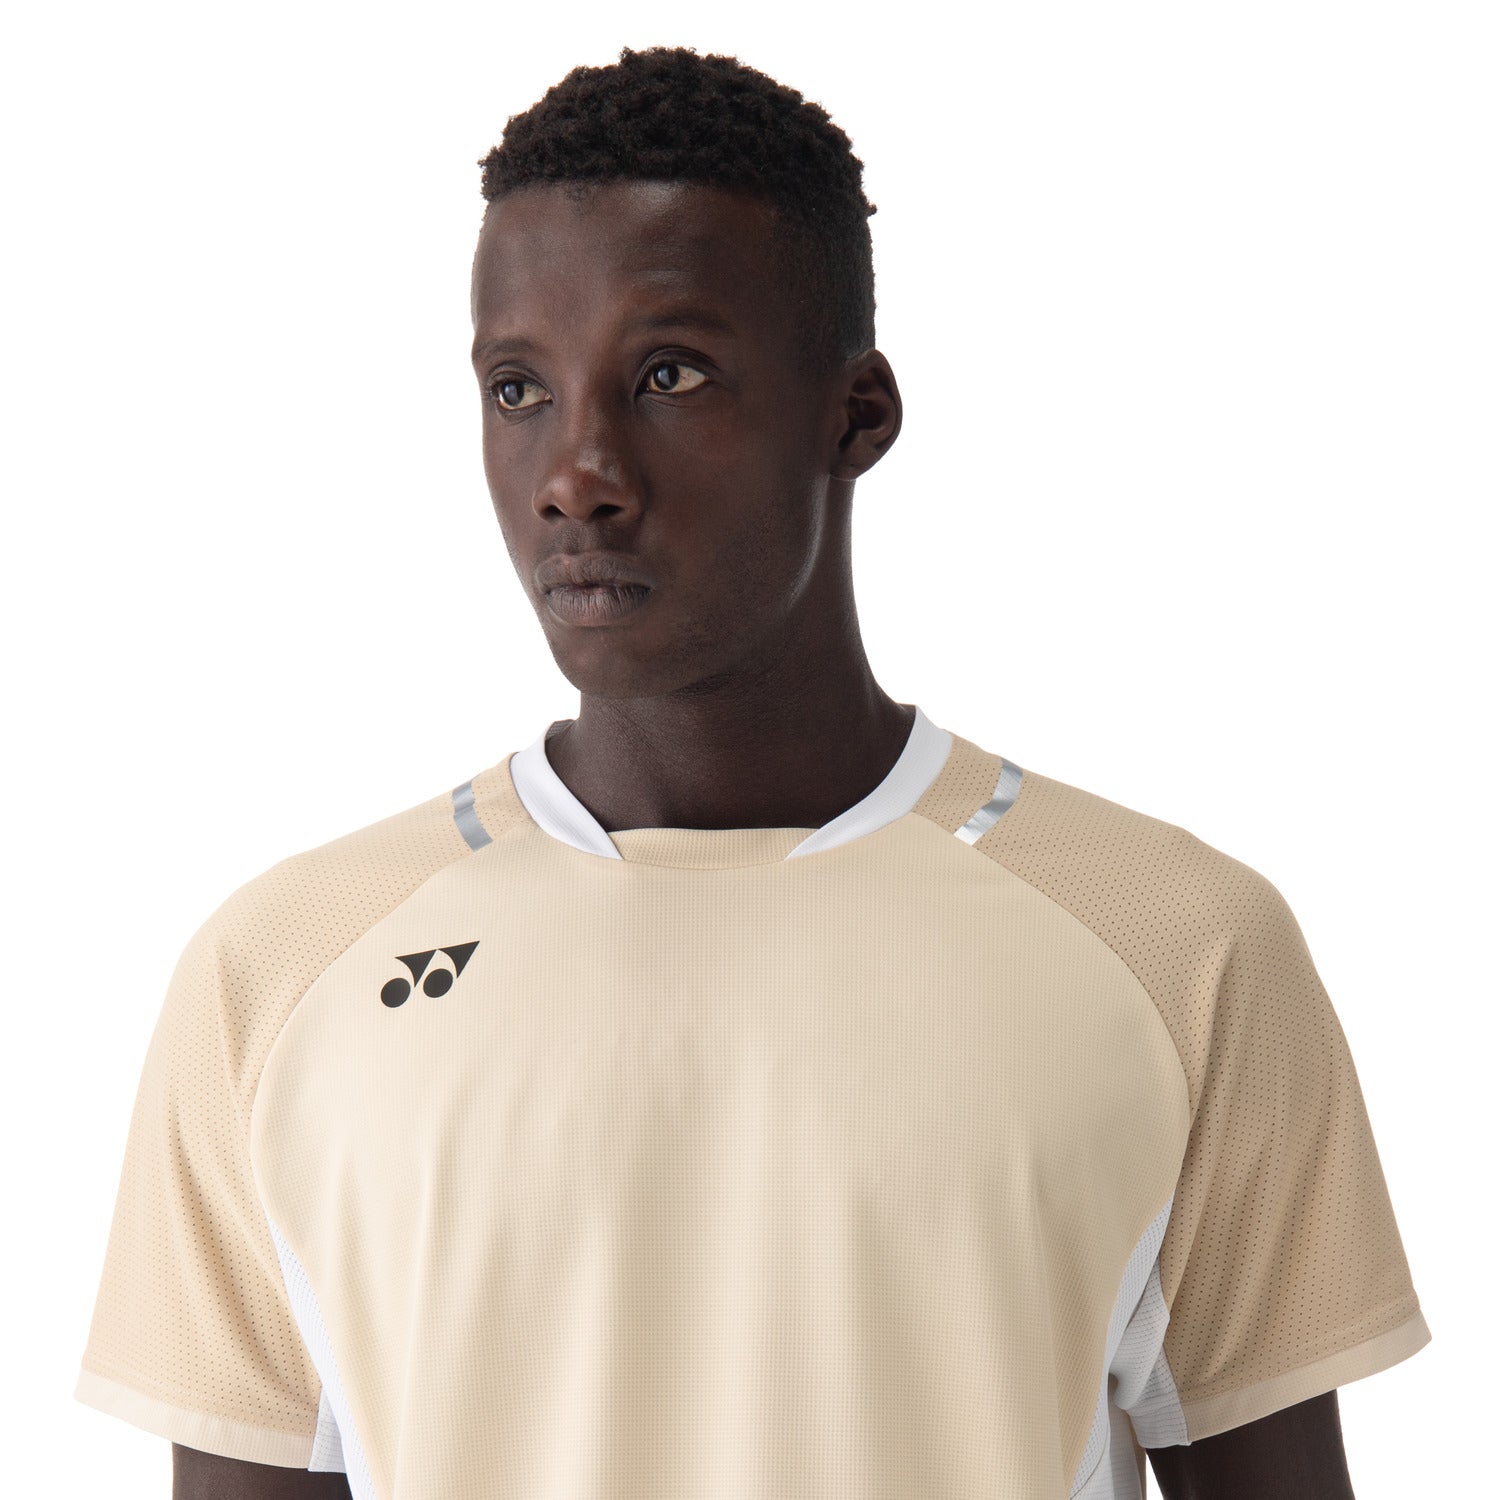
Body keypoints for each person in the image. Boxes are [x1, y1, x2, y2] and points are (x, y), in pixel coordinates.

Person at [75, 44, 1430, 1500]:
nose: (576, 473)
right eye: (519, 388)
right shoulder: (281, 975)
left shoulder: (1181, 948)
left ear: (856, 414)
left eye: (668, 375)